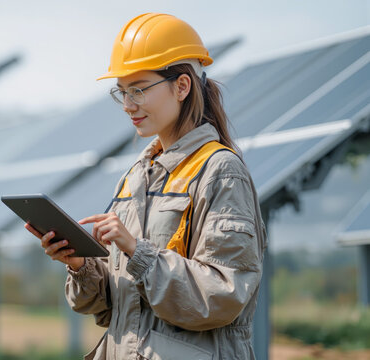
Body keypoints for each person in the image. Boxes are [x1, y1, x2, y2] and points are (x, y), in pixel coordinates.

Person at [24, 13, 267, 359]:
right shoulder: (137, 176)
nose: (127, 105)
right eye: (121, 92)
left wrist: (137, 252)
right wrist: (81, 265)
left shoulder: (220, 172)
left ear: (182, 87)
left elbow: (222, 296)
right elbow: (114, 307)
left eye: (138, 90)